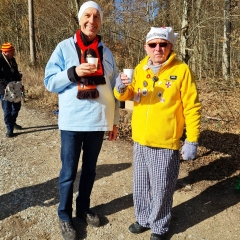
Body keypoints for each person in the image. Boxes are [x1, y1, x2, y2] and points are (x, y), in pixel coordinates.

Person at [114, 26, 201, 240]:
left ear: (170, 46)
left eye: (163, 44)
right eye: (153, 44)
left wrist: (192, 139)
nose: (158, 48)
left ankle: (160, 226)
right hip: (140, 140)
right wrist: (121, 89)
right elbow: (129, 96)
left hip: (165, 142)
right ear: (146, 47)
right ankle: (143, 218)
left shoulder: (181, 70)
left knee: (162, 188)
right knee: (141, 184)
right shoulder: (140, 67)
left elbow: (192, 107)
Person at [44, 1, 119, 240]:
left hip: (98, 122)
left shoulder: (106, 53)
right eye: (87, 15)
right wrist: (73, 72)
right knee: (68, 172)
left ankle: (83, 208)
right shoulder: (64, 48)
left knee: (89, 170)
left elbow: (115, 89)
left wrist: (115, 121)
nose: (92, 20)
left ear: (100, 22)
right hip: (72, 123)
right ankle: (64, 215)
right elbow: (49, 82)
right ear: (80, 19)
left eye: (96, 17)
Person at [0, 42, 23, 138]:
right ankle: (9, 129)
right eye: (11, 52)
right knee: (7, 109)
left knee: (17, 106)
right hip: (4, 88)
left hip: (15, 87)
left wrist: (19, 81)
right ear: (5, 52)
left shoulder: (12, 59)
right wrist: (6, 83)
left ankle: (12, 122)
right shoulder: (0, 60)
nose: (13, 53)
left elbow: (15, 72)